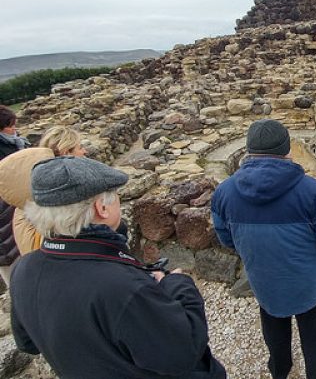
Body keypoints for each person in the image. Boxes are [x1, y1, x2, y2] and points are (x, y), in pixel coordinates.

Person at [11, 156, 226, 378]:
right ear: (101, 207)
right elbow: (184, 352)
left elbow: (28, 343)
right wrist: (180, 285)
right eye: (116, 197)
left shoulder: (24, 269)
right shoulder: (122, 286)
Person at [211, 119, 316, 379]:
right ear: (287, 150)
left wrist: (253, 255)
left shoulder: (224, 192)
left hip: (263, 276)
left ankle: (280, 369)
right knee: (312, 330)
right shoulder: (311, 191)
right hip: (308, 279)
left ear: (248, 150)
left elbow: (226, 238)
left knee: (273, 322)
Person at [0, 126, 89, 255]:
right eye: (80, 147)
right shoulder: (53, 200)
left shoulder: (31, 192)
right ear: (66, 152)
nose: (85, 151)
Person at [0, 105, 29, 285]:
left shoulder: (14, 145)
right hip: (6, 228)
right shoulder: (8, 152)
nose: (15, 130)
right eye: (11, 126)